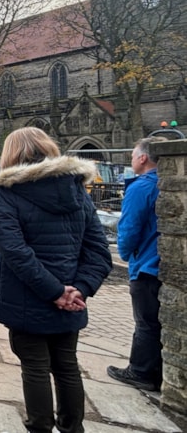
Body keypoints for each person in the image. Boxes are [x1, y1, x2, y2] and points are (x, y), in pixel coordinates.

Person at [0, 127, 111, 433]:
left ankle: (40, 428)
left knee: (35, 366)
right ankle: (73, 428)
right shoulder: (76, 190)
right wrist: (79, 290)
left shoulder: (10, 191)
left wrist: (56, 292)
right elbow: (98, 250)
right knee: (66, 365)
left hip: (28, 295)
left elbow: (14, 250)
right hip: (70, 298)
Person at [107, 137, 167, 392]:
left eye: (133, 155)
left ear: (143, 158)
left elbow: (129, 227)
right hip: (164, 263)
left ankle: (141, 371)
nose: (132, 160)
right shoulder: (168, 184)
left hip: (146, 264)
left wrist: (125, 253)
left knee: (146, 322)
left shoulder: (141, 187)